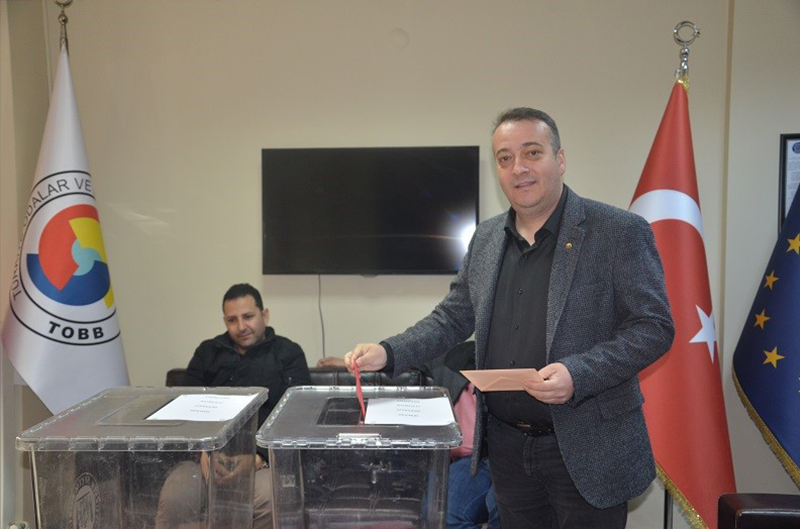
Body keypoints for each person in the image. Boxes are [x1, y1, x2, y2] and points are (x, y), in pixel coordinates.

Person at [345, 108, 675, 529]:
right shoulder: (486, 238)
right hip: (506, 449)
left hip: (586, 447)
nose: (518, 168)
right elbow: (452, 318)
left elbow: (653, 326)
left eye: (532, 152)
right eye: (505, 158)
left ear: (560, 159)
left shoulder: (617, 231)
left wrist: (578, 374)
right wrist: (389, 352)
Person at [155, 283, 312, 529]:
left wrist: (258, 458)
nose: (241, 327)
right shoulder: (208, 352)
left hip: (263, 462)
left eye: (248, 317)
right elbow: (184, 408)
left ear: (264, 315)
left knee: (269, 500)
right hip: (206, 458)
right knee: (176, 496)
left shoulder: (288, 353)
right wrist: (202, 452)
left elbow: (299, 416)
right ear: (224, 321)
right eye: (232, 320)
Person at [418, 341, 501, 529]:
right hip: (471, 460)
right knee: (440, 514)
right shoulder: (456, 358)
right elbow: (408, 360)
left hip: (515, 456)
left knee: (503, 511)